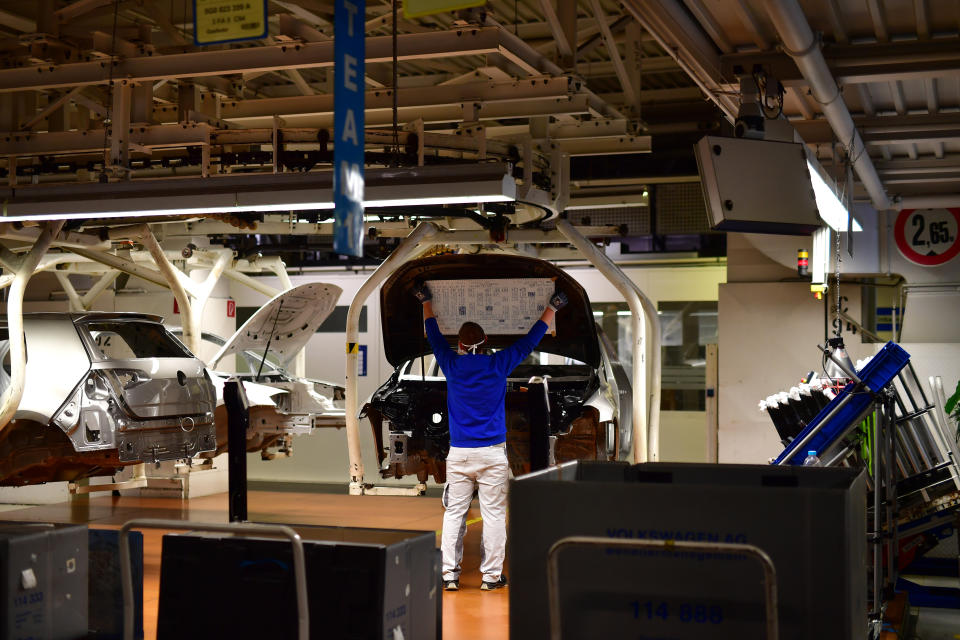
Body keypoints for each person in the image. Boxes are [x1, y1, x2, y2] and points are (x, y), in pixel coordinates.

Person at [413, 282, 568, 592]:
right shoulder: (498, 364)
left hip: (459, 455)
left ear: (460, 346)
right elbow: (529, 342)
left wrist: (426, 301)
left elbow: (432, 332)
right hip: (493, 455)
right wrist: (552, 306)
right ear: (484, 346)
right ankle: (491, 578)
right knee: (494, 515)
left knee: (454, 513)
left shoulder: (452, 364)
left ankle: (449, 576)